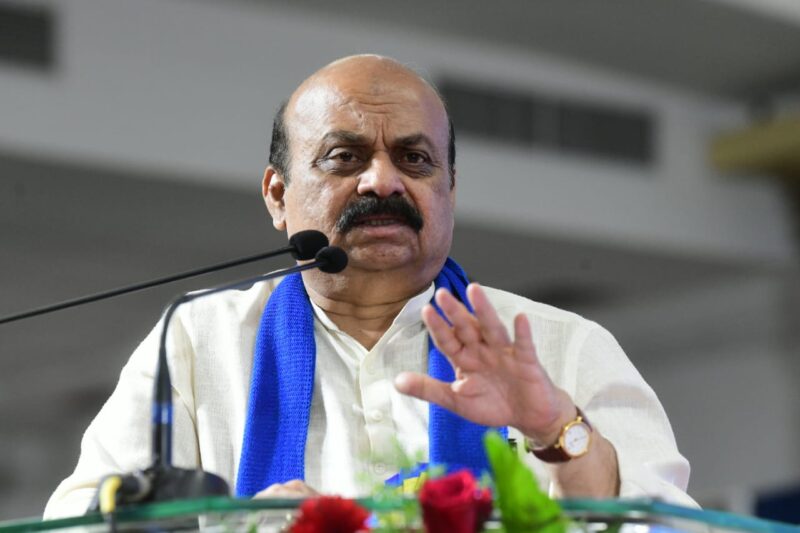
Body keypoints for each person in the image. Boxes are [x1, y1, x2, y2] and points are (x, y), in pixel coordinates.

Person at [45, 55, 695, 518]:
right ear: (277, 195)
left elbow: (674, 525)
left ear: (449, 190)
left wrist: (558, 429)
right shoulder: (196, 342)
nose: (382, 181)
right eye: (345, 156)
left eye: (414, 158)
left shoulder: (561, 347)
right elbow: (80, 517)